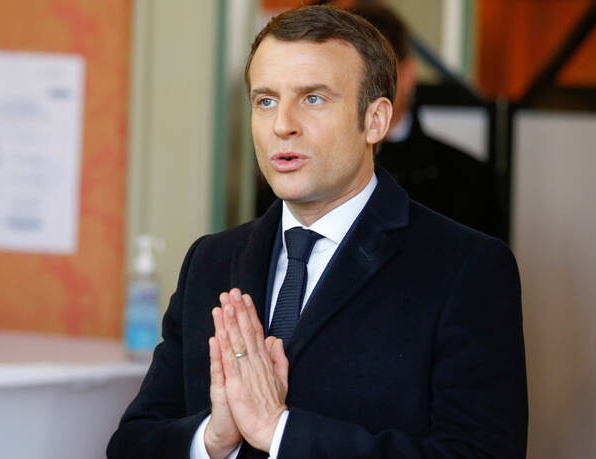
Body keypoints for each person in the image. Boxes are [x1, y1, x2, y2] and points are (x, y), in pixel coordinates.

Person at [108, 6, 527, 458]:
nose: (282, 124)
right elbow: (132, 444)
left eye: (312, 99)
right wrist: (213, 439)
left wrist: (280, 432)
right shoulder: (210, 261)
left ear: (375, 120)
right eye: (265, 101)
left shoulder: (466, 268)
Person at [349, 4, 503, 239]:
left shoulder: (468, 178)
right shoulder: (314, 169)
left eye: (374, 72)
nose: (361, 88)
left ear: (408, 74)